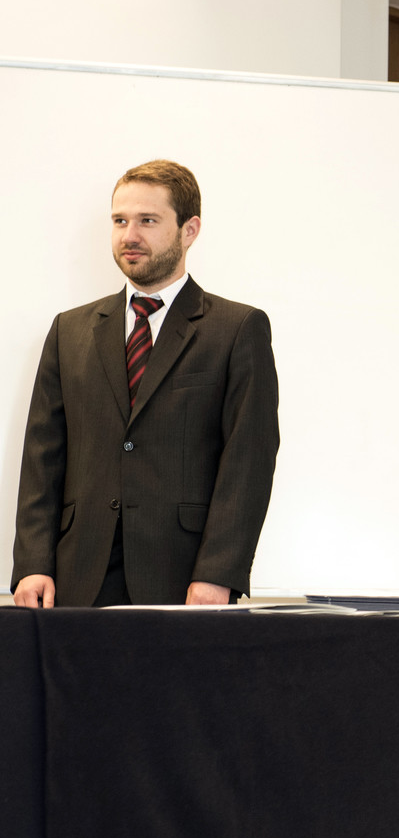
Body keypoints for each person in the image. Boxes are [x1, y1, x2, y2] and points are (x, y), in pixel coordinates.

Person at [11, 159, 279, 608]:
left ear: (189, 230)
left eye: (147, 221)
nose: (129, 235)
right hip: (76, 577)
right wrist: (33, 563)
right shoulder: (69, 330)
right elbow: (43, 457)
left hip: (184, 579)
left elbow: (248, 461)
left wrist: (218, 573)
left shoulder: (236, 329)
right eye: (120, 221)